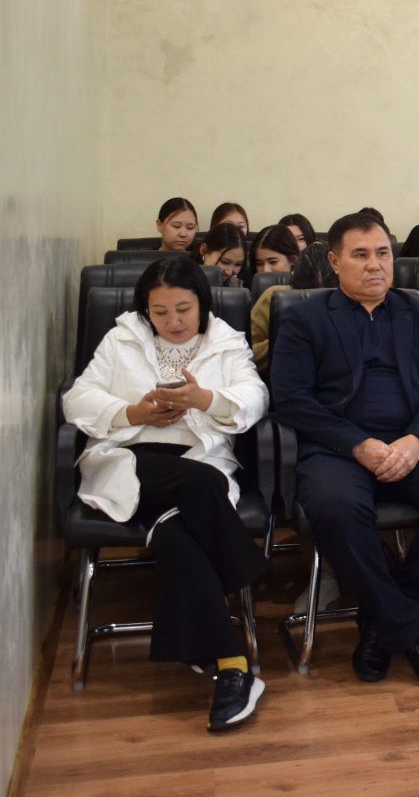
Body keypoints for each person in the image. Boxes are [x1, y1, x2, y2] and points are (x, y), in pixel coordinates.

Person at [270, 213, 419, 689]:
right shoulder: (305, 317)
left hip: (413, 441)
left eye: (383, 253)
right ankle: (406, 629)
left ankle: (382, 617)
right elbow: (291, 398)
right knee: (335, 510)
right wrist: (357, 444)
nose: (375, 264)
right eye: (361, 255)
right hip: (338, 447)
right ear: (334, 262)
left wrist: (416, 439)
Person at [61, 258, 270, 731]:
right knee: (202, 486)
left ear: (203, 303)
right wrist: (132, 413)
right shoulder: (121, 339)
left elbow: (255, 397)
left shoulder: (225, 341)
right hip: (130, 458)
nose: (173, 321)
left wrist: (206, 400)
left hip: (198, 459)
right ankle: (245, 568)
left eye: (183, 309)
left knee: (178, 533)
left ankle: (233, 667)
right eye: (160, 312)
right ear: (145, 310)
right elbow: (77, 398)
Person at [246, 225, 301, 373]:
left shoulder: (305, 290)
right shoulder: (259, 293)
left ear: (293, 260)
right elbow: (247, 351)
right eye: (259, 263)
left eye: (273, 262)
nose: (265, 270)